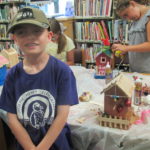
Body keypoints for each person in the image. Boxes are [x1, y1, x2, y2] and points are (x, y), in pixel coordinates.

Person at [0, 7, 78, 150]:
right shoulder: (12, 76)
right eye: (22, 32)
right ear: (15, 39)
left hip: (56, 144)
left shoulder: (62, 71)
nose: (30, 37)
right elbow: (12, 119)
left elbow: (62, 115)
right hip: (25, 145)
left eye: (36, 31)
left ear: (49, 36)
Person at [112, 0, 150, 73]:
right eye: (124, 17)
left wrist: (126, 48)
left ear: (132, 4)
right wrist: (124, 50)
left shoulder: (148, 17)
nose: (128, 18)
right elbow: (138, 45)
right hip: (136, 71)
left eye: (126, 14)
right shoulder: (135, 20)